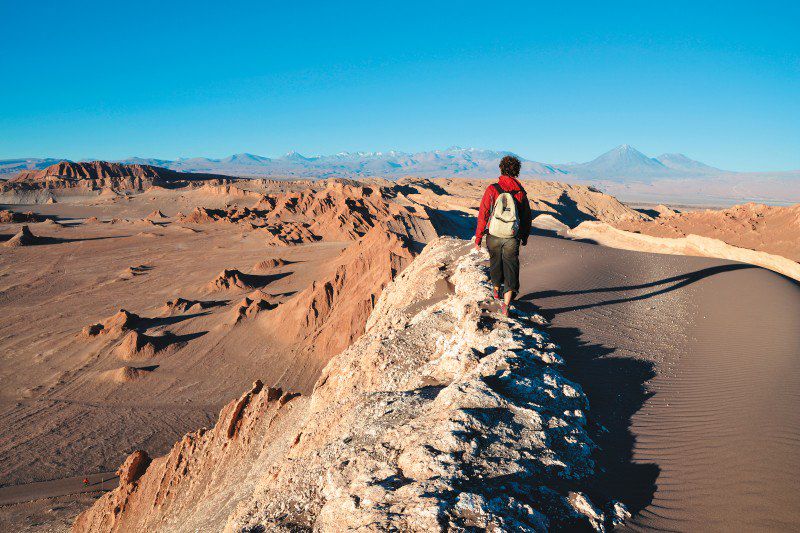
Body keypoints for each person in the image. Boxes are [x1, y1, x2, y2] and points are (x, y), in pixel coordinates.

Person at [474, 155, 532, 316]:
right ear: (517, 171)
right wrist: (524, 236)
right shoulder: (520, 192)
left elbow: (483, 215)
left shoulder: (492, 189)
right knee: (511, 267)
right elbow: (526, 217)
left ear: (501, 169)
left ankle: (496, 288)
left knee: (495, 262)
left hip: (493, 235)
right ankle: (506, 304)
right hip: (511, 237)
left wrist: (478, 238)